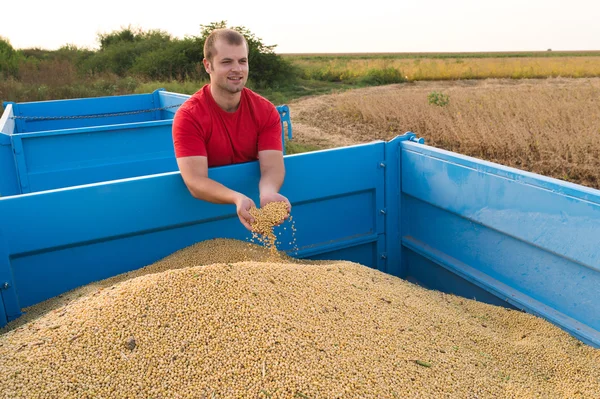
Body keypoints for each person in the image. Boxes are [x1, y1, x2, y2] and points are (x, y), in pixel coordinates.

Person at [171, 28, 291, 231]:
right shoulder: (189, 116)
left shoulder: (266, 111)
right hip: (201, 225)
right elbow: (195, 181)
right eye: (227, 62)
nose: (237, 69)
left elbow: (272, 166)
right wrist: (236, 198)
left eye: (242, 61)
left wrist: (268, 193)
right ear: (208, 65)